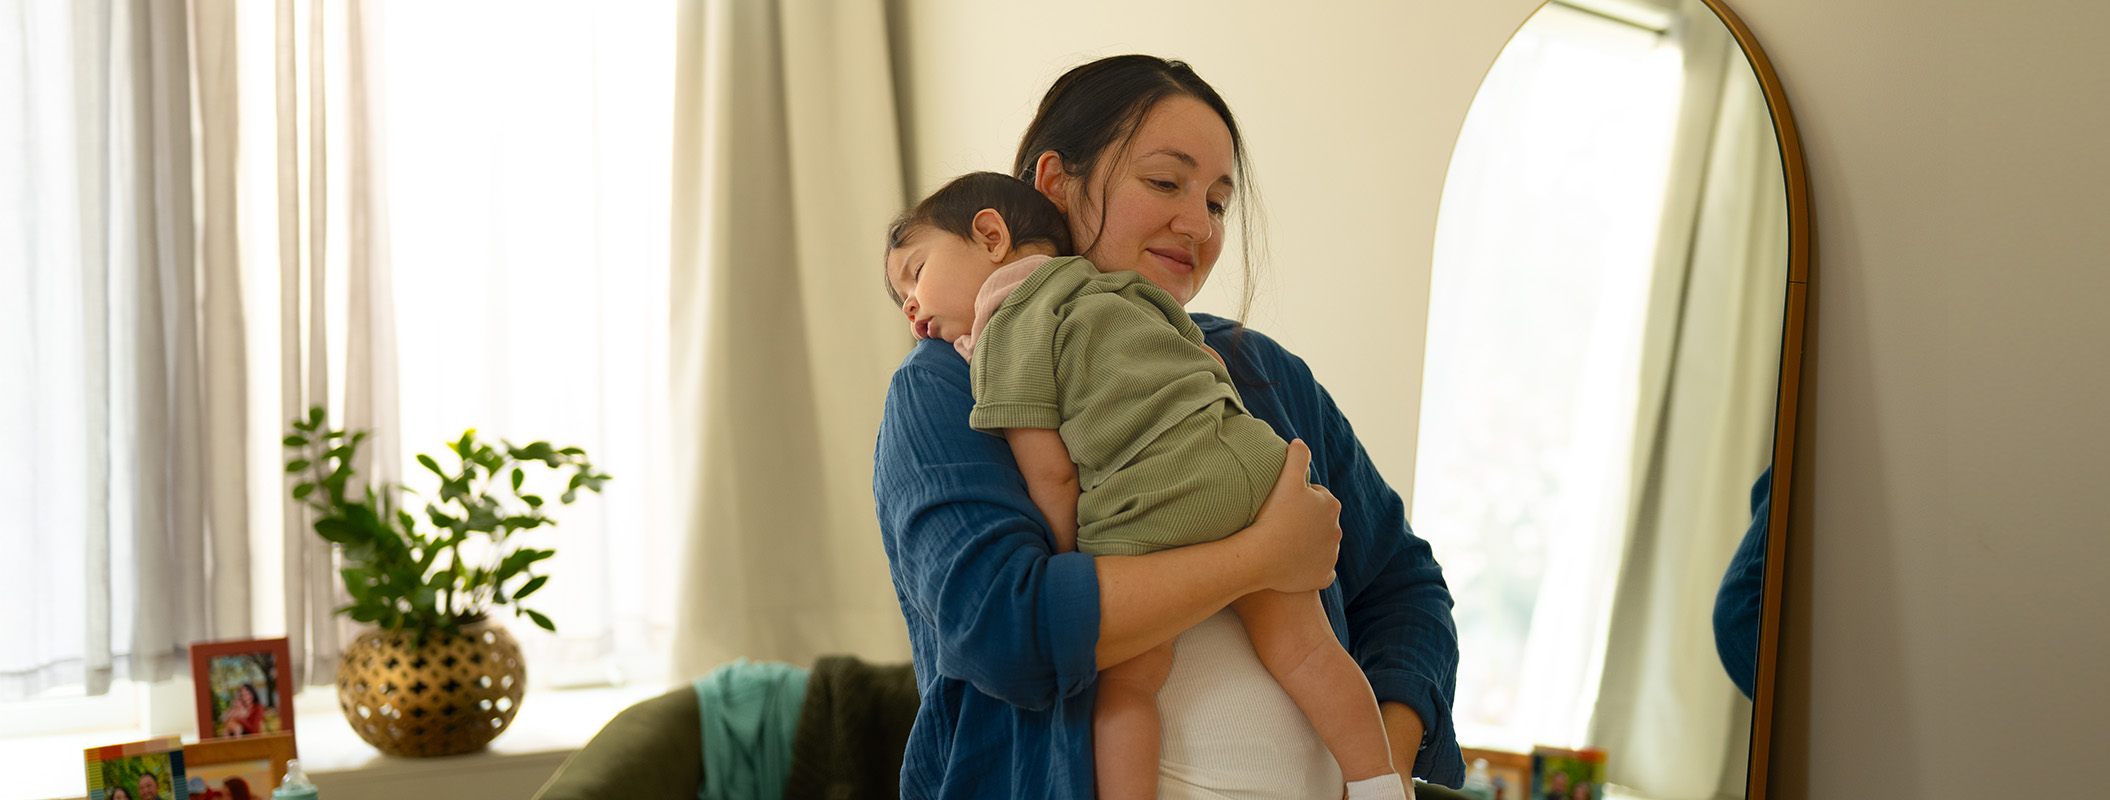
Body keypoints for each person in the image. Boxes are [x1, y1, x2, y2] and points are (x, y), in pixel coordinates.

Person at [873, 55, 1463, 799]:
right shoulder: (948, 384)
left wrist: (1379, 776)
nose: (1198, 224)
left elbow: (1406, 590)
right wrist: (1261, 557)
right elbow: (1003, 628)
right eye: (1164, 182)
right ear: (1054, 183)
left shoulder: (1261, 373)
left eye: (1218, 202)